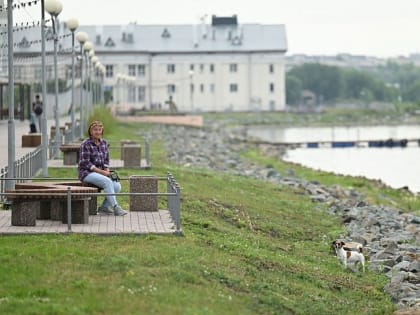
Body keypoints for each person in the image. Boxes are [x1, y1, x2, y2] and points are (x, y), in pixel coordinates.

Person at [78, 120, 127, 216]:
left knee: (117, 186)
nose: (97, 132)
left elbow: (106, 161)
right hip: (86, 173)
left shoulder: (104, 143)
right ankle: (116, 207)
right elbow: (85, 163)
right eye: (95, 130)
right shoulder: (86, 144)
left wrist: (107, 171)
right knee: (107, 182)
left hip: (100, 173)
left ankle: (104, 208)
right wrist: (102, 172)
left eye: (99, 130)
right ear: (91, 131)